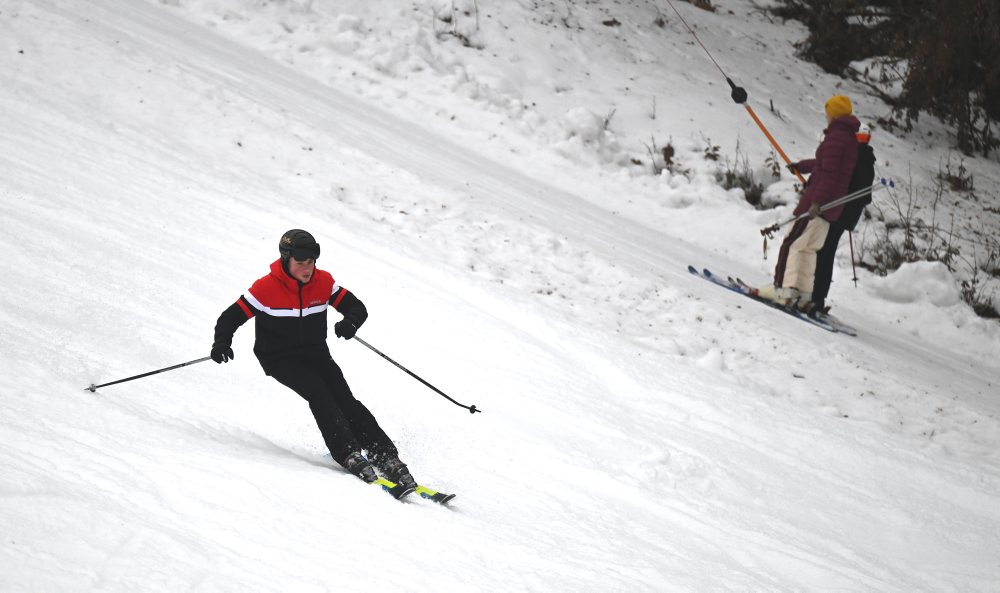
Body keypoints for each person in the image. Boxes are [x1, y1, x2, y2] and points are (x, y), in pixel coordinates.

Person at [210, 229, 416, 488]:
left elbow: (356, 307)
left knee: (346, 401)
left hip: (316, 354)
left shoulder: (323, 282)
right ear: (286, 259)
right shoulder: (266, 288)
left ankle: (387, 457)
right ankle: (348, 454)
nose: (307, 269)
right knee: (319, 394)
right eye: (300, 263)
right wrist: (222, 342)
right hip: (278, 358)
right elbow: (230, 317)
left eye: (311, 262)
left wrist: (350, 322)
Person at [757, 95, 861, 310]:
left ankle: (782, 289)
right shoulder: (849, 139)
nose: (826, 116)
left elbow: (829, 174)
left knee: (792, 243)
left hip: (818, 204)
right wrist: (801, 166)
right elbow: (824, 164)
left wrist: (817, 201)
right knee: (808, 249)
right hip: (832, 208)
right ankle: (803, 294)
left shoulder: (835, 138)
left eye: (828, 112)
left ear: (833, 113)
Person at [810, 123, 876, 313]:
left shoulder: (853, 158)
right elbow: (865, 196)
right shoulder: (868, 161)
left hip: (835, 213)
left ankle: (814, 297)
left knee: (821, 252)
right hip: (846, 217)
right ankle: (817, 297)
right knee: (826, 253)